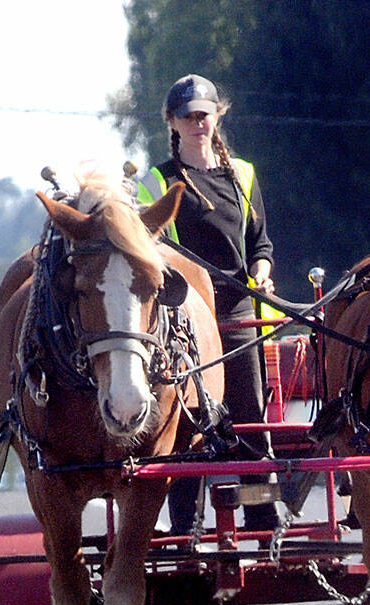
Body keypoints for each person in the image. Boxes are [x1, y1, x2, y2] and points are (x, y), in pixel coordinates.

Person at [137, 73, 281, 532]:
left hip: (238, 314)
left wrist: (261, 268)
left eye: (205, 114)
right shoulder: (158, 181)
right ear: (173, 122)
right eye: (188, 115)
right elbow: (150, 246)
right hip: (184, 314)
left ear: (218, 116)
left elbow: (261, 243)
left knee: (249, 417)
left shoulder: (242, 174)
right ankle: (184, 529)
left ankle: (261, 519)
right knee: (186, 424)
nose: (198, 122)